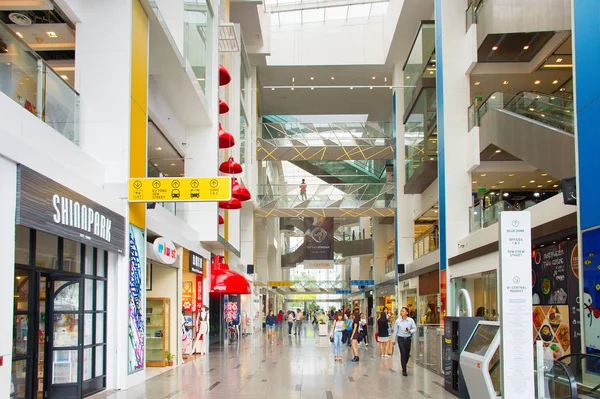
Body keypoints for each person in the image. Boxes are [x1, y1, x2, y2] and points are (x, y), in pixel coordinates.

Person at [392, 306, 417, 376]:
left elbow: (415, 328)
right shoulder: (398, 321)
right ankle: (404, 369)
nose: (401, 312)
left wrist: (410, 331)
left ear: (406, 313)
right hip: (400, 339)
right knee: (403, 353)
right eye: (401, 311)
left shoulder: (410, 320)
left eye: (403, 311)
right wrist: (393, 340)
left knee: (407, 354)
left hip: (408, 338)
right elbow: (395, 331)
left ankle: (404, 363)